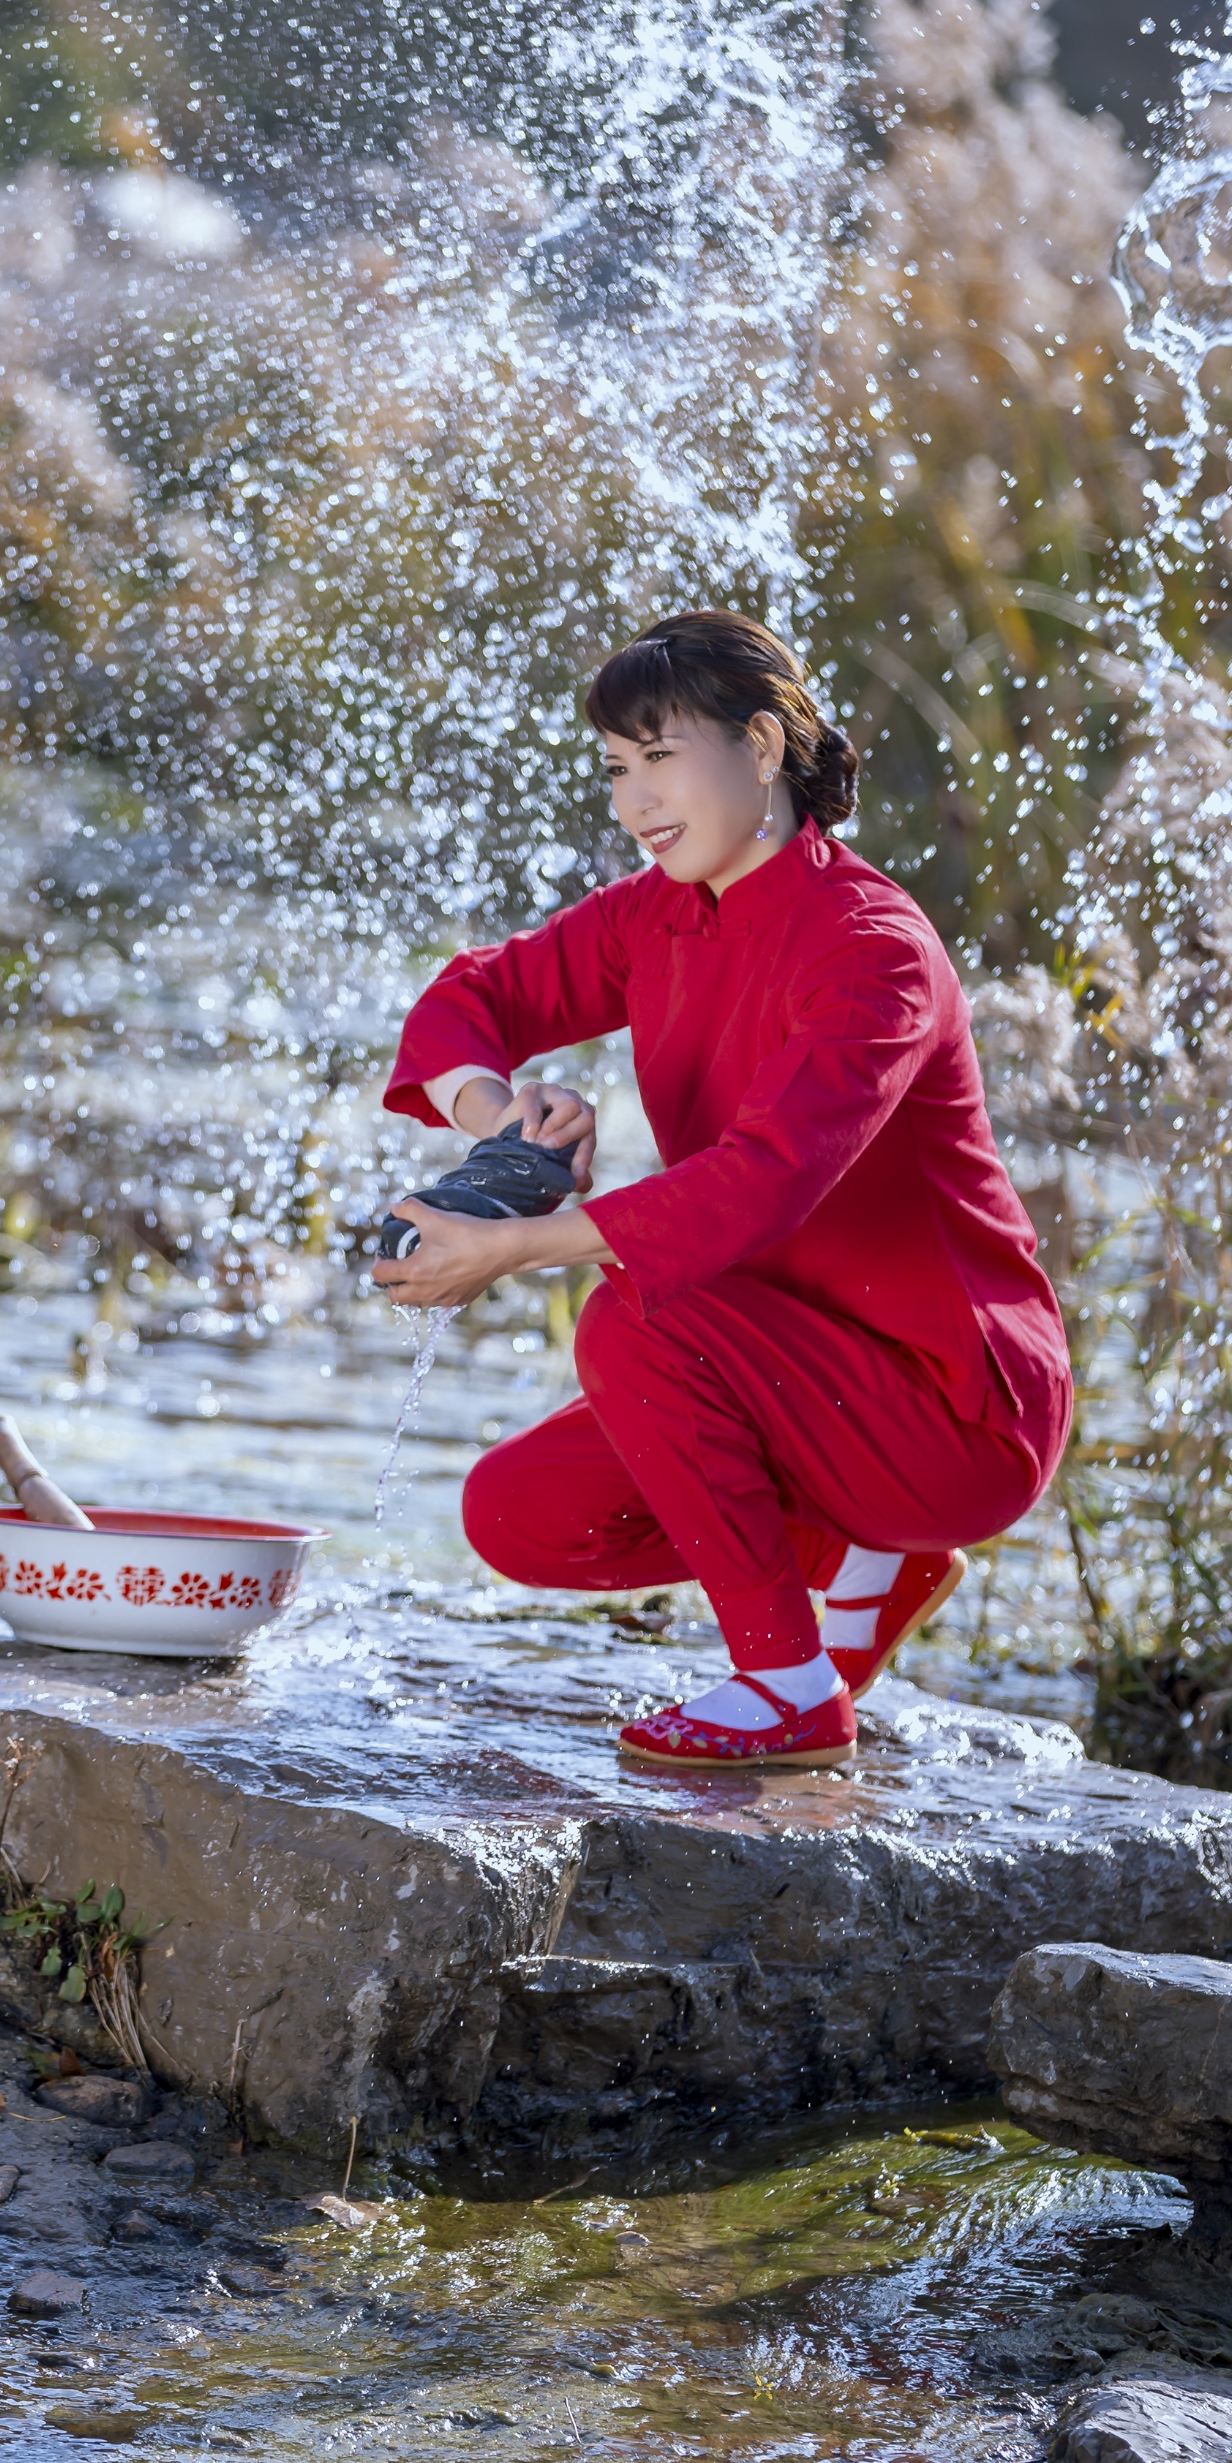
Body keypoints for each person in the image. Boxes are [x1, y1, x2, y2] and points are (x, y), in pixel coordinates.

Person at [372, 608, 1071, 1770]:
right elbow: (465, 1000)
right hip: (784, 1375)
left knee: (635, 1303)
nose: (632, 801)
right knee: (520, 1514)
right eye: (614, 769)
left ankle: (789, 1687)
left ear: (759, 748)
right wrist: (507, 1127)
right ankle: (861, 1559)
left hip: (951, 1405)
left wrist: (514, 1243)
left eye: (660, 758)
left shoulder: (873, 951)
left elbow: (761, 1184)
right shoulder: (658, 912)